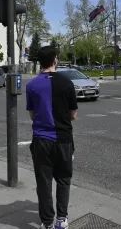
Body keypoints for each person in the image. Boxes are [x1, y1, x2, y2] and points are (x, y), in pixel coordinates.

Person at [26, 46, 78, 229]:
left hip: (41, 140)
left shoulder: (31, 85)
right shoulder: (67, 83)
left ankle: (47, 222)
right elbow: (73, 115)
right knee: (64, 180)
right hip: (63, 139)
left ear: (40, 62)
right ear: (55, 60)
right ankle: (62, 219)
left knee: (44, 182)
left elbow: (32, 115)